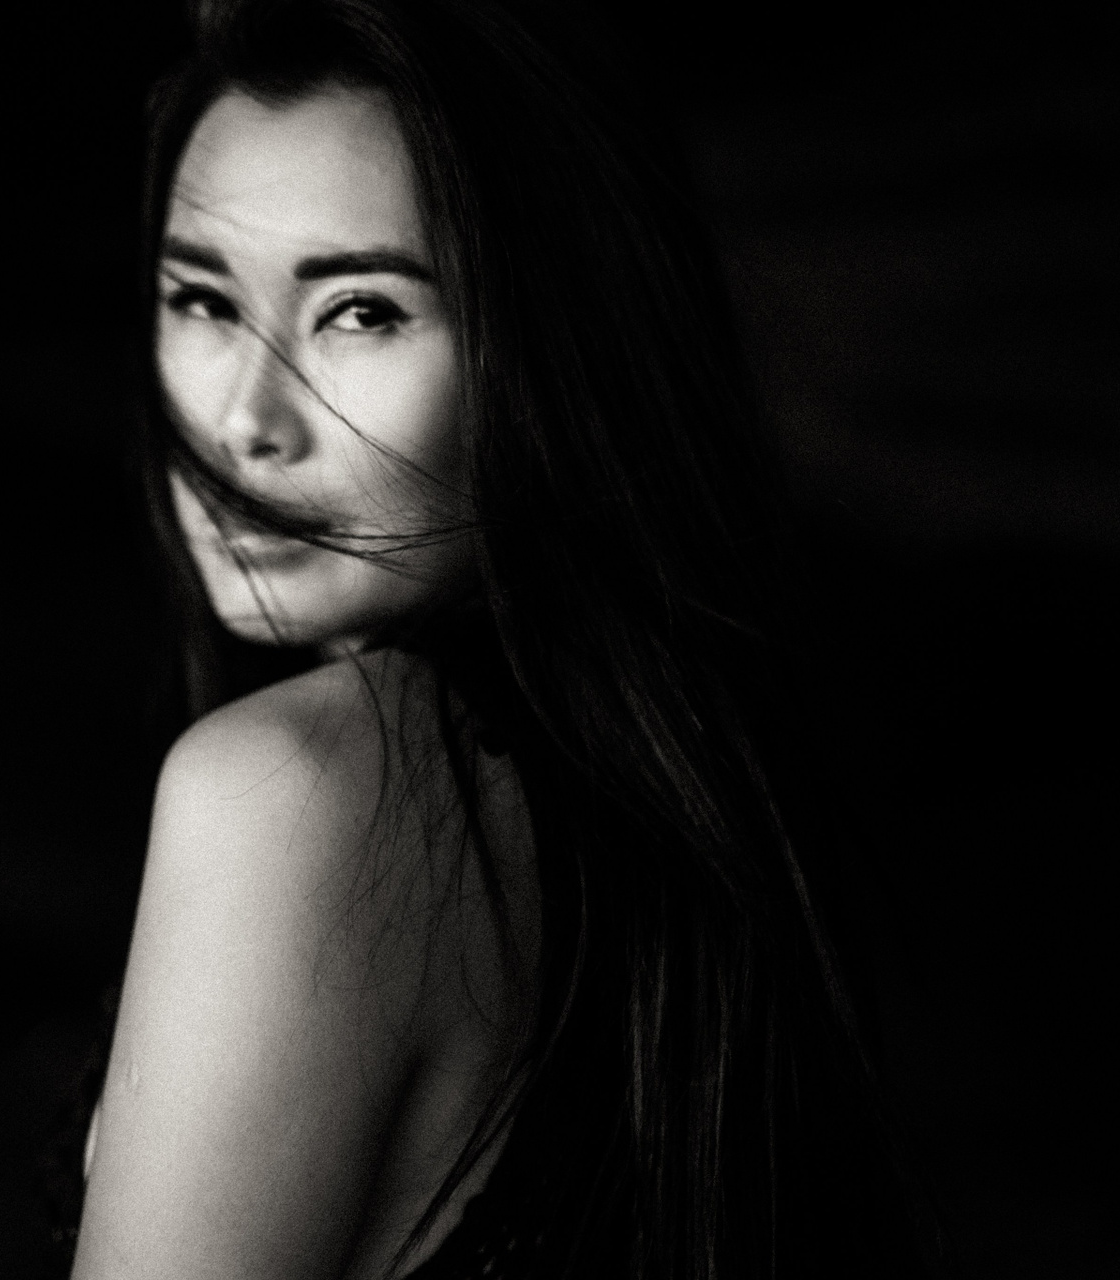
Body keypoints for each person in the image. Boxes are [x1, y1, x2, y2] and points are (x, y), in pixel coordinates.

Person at [72, 2, 928, 1276]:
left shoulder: (293, 787)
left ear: (561, 346)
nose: (248, 419)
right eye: (201, 298)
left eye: (362, 311)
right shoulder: (689, 828)